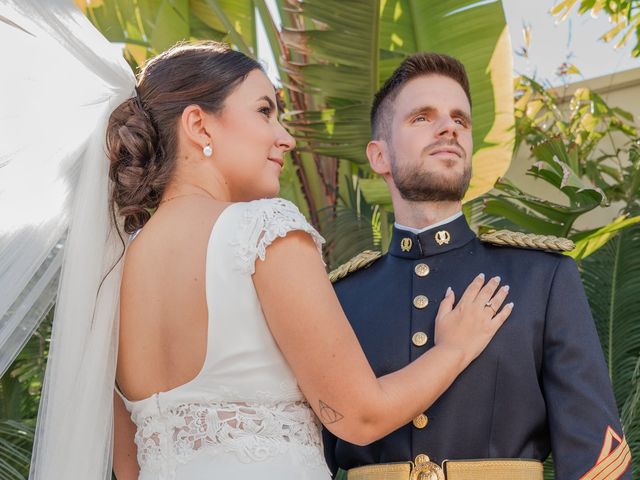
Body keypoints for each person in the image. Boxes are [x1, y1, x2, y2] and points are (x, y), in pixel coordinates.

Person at [322, 53, 631, 480]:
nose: (448, 127)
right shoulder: (340, 298)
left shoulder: (541, 277)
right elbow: (306, 452)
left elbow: (596, 455)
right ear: (379, 156)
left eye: (460, 120)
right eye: (422, 118)